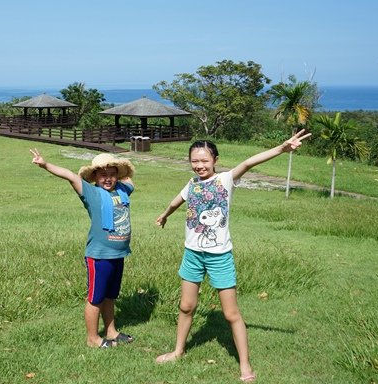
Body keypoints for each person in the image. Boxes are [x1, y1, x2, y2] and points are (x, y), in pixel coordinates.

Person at [154, 129, 311, 382]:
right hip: (192, 254)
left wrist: (282, 149)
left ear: (215, 159)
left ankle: (245, 366)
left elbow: (249, 162)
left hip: (219, 256)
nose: (199, 165)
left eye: (205, 160)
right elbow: (177, 201)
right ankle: (178, 351)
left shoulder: (226, 179)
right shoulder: (192, 184)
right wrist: (165, 214)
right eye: (195, 161)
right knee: (186, 306)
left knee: (230, 314)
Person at [30, 149, 137, 348]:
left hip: (118, 254)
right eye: (103, 174)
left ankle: (111, 331)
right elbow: (70, 175)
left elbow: (130, 180)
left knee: (110, 295)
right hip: (99, 255)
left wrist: (121, 170)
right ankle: (93, 339)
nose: (108, 178)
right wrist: (45, 165)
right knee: (96, 297)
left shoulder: (122, 190)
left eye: (112, 174)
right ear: (94, 177)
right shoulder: (91, 192)